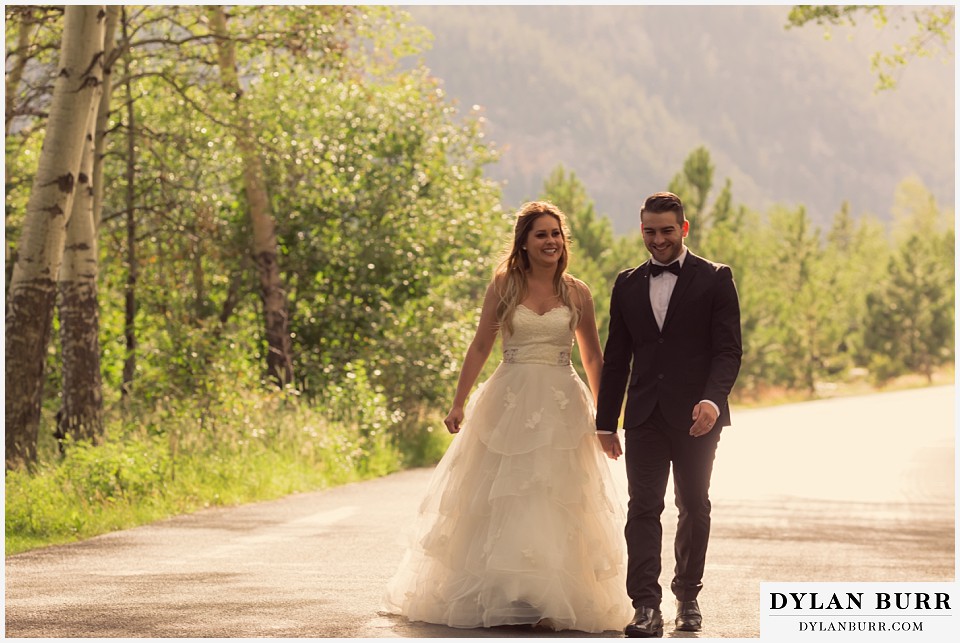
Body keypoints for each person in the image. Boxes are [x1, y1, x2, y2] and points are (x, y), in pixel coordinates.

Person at [381, 201, 634, 633]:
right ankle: (504, 592)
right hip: (510, 399)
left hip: (561, 401)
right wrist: (459, 401)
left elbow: (593, 356)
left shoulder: (577, 292)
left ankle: (553, 596)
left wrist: (606, 420)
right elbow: (481, 345)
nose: (550, 241)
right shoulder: (504, 286)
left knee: (557, 496)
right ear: (524, 242)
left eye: (556, 233)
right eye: (541, 234)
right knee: (504, 494)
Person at [595, 192, 742, 638]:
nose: (657, 240)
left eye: (666, 231)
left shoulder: (716, 278)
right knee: (643, 507)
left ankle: (688, 595)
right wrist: (605, 421)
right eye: (649, 231)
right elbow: (617, 357)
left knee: (694, 506)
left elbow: (728, 350)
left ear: (684, 229)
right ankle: (645, 606)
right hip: (643, 416)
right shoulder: (626, 283)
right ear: (641, 229)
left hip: (699, 416)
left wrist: (713, 401)